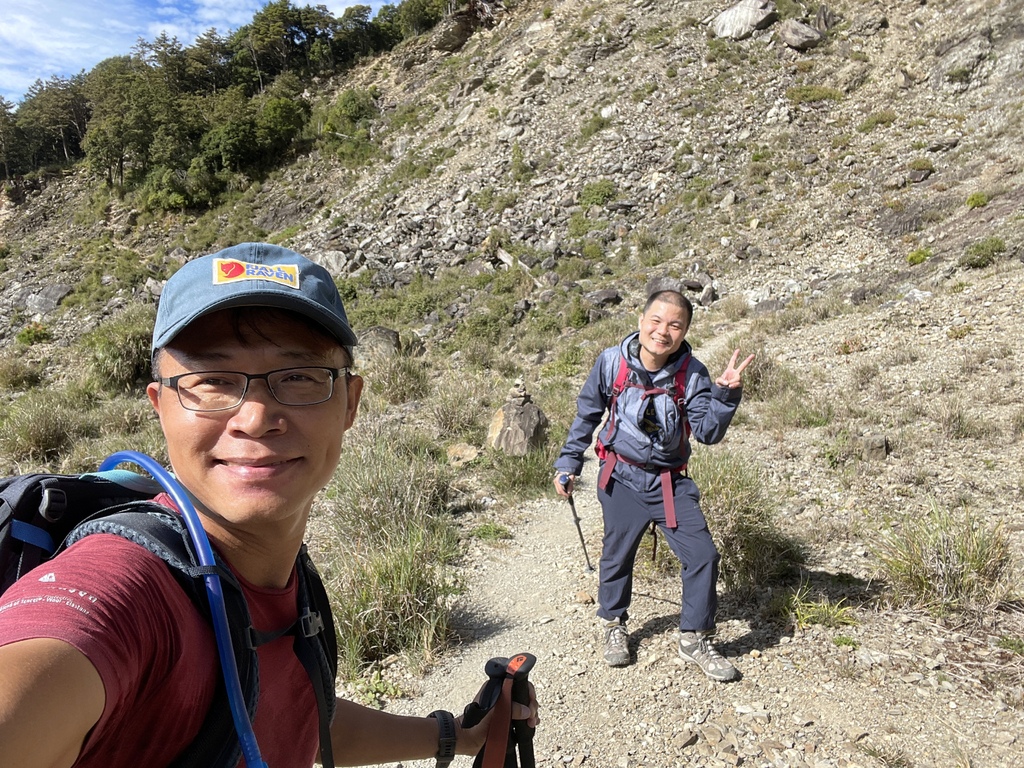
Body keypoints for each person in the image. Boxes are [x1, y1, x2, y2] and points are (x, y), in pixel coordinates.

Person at [0, 242, 537, 768]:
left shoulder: (277, 572)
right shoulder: (126, 591)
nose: (255, 418)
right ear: (160, 406)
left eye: (299, 377)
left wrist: (458, 737)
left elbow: (295, 716)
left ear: (350, 403)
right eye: (211, 380)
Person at [553, 281, 753, 682]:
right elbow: (588, 414)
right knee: (617, 554)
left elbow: (708, 433)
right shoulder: (612, 363)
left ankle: (694, 637)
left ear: (684, 332)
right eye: (657, 320)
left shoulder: (693, 374)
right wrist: (569, 461)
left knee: (703, 555)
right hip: (621, 477)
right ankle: (613, 625)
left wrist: (725, 396)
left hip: (669, 483)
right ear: (641, 320)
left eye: (675, 325)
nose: (663, 331)